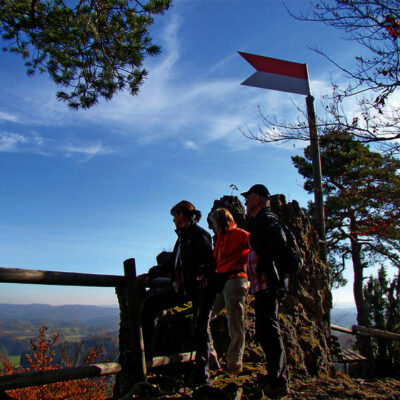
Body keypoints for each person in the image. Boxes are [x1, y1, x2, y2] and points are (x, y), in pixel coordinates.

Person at [141, 200, 215, 386]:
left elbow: (209, 261)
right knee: (149, 305)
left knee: (200, 329)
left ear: (182, 214)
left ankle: (202, 377)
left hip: (199, 290)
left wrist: (201, 275)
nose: (173, 219)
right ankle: (146, 356)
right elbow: (171, 263)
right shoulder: (182, 238)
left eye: (174, 215)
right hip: (181, 289)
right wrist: (153, 273)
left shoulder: (200, 235)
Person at [241, 184, 289, 398]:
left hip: (269, 282)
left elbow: (280, 240)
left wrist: (263, 264)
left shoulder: (267, 218)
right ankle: (276, 375)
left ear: (258, 199)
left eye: (247, 197)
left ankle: (277, 381)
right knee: (266, 328)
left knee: (269, 329)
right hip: (265, 284)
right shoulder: (259, 220)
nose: (244, 201)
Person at [208, 208, 250, 375]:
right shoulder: (219, 238)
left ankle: (233, 365)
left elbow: (255, 252)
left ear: (220, 221)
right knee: (204, 317)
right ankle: (212, 359)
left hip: (236, 279)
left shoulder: (241, 234)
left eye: (213, 222)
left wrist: (249, 274)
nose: (213, 226)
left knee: (235, 324)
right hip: (222, 281)